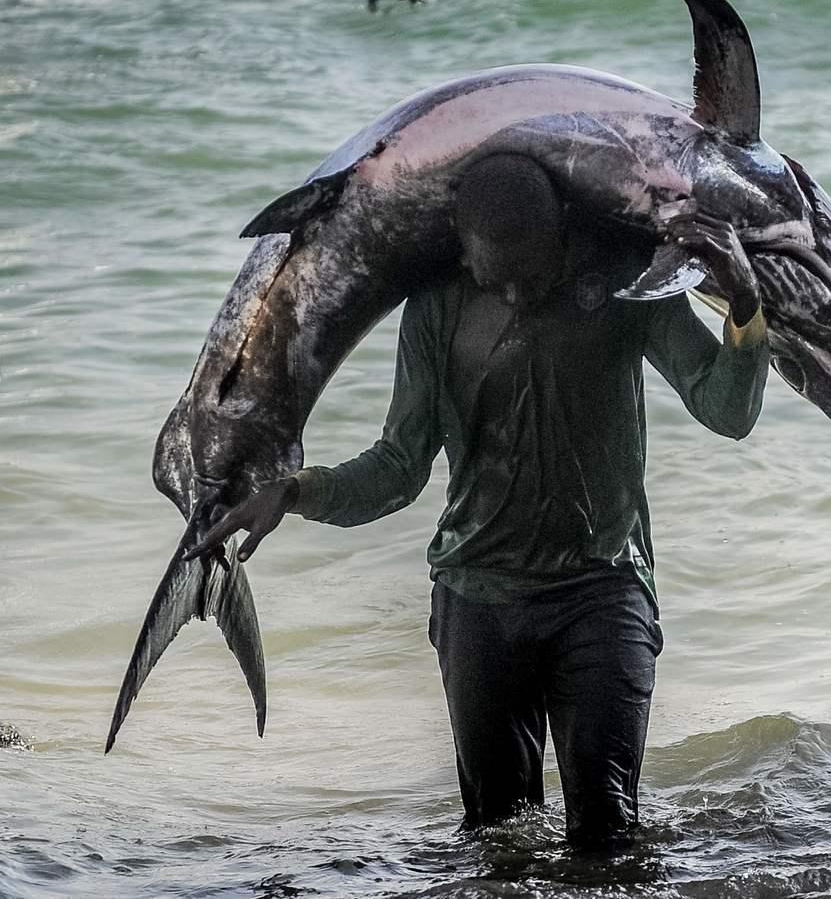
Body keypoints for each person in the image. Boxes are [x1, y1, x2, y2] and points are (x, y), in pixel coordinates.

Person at [187, 153, 770, 849]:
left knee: (608, 831)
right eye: (499, 278)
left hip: (603, 591)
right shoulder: (435, 306)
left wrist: (744, 306)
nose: (518, 296)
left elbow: (727, 409)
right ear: (464, 249)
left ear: (560, 232)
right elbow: (398, 468)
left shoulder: (620, 278)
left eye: (532, 275)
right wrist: (293, 492)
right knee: (496, 837)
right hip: (479, 602)